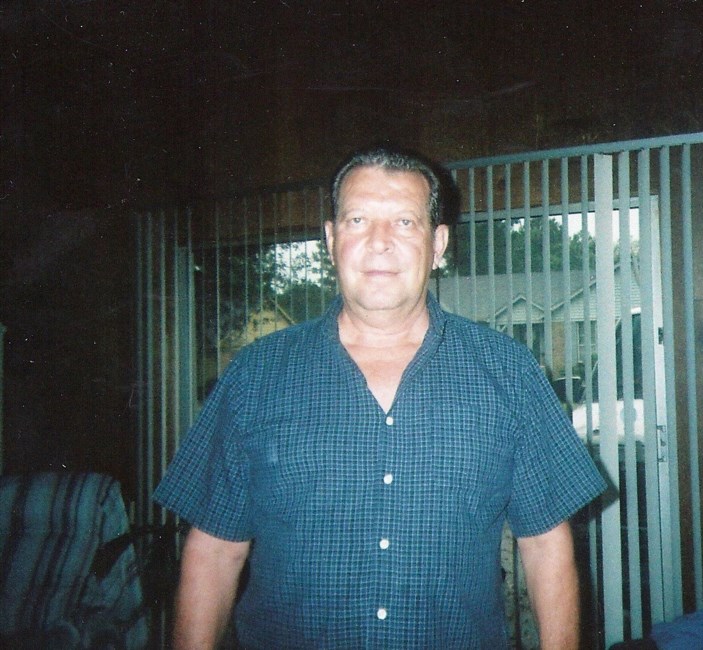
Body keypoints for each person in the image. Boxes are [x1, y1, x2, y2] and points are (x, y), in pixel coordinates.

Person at [154, 146, 606, 649]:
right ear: (331, 239)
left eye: (405, 222)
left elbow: (545, 545)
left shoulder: (509, 371)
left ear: (438, 244)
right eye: (358, 220)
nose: (379, 242)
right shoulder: (254, 375)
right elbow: (215, 552)